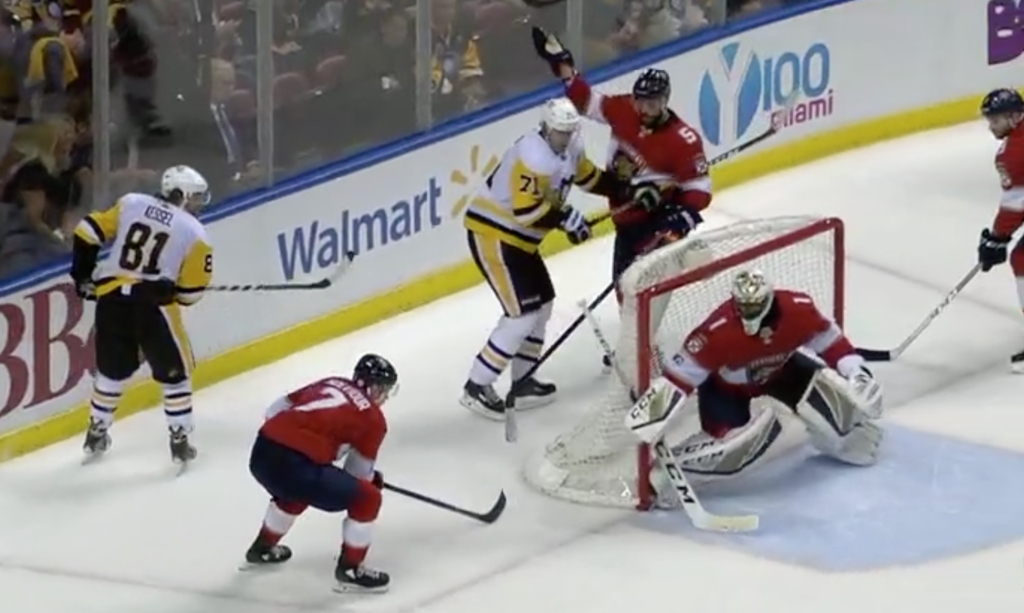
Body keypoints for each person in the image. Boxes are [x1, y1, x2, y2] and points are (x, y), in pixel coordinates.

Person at [531, 26, 713, 366]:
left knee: (642, 286)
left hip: (656, 221)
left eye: (653, 101)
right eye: (641, 100)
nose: (645, 107)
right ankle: (638, 345)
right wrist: (563, 66)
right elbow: (586, 102)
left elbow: (699, 190)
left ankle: (641, 352)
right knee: (623, 286)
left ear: (666, 100)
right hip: (626, 216)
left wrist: (679, 218)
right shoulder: (624, 109)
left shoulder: (683, 140)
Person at [623, 269, 884, 503]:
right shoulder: (715, 333)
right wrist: (653, 411)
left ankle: (841, 432)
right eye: (742, 305)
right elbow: (678, 378)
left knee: (849, 429)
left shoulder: (798, 309)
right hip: (727, 388)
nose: (746, 311)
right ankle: (665, 476)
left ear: (769, 300)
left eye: (753, 305)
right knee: (731, 451)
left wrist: (856, 372)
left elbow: (829, 340)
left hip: (782, 370)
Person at [460, 97, 630, 418]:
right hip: (494, 236)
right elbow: (525, 213)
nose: (565, 137)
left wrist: (622, 189)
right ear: (545, 128)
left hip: (519, 242)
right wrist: (566, 220)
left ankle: (523, 380)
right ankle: (477, 385)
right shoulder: (532, 155)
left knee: (543, 306)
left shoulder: (571, 146)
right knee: (522, 314)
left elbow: (587, 177)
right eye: (559, 132)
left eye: (569, 131)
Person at [70, 165, 213, 464]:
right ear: (180, 195)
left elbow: (86, 231)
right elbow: (190, 294)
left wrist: (83, 276)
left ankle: (96, 431)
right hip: (154, 305)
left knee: (112, 371)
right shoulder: (195, 232)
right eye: (195, 198)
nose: (198, 205)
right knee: (175, 375)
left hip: (111, 299)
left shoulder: (132, 202)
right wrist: (174, 287)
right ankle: (179, 438)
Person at [244, 354, 398, 593]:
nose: (385, 397)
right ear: (374, 387)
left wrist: (308, 442)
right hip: (297, 467)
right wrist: (372, 480)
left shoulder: (333, 381)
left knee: (299, 490)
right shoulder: (374, 419)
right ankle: (351, 569)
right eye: (384, 390)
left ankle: (262, 548)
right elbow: (357, 473)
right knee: (368, 498)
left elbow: (273, 410)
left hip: (261, 453)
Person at [976, 88, 1024, 372]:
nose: (991, 126)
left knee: (1022, 258)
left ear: (1015, 117)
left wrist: (997, 238)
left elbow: (1016, 204)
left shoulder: (1012, 153)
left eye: (995, 120)